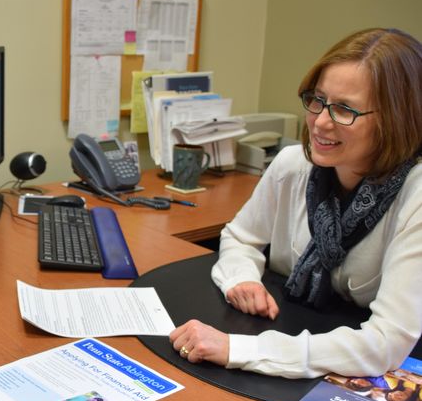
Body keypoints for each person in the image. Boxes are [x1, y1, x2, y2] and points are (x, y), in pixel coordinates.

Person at [169, 28, 422, 379]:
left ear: (397, 119)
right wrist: (242, 280)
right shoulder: (293, 165)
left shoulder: (416, 197)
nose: (320, 122)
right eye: (317, 100)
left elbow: (385, 344)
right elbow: (241, 238)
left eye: (345, 110)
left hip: (361, 369)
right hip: (291, 338)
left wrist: (237, 348)